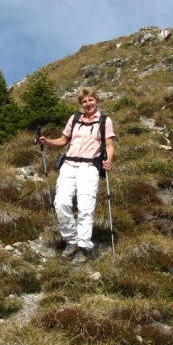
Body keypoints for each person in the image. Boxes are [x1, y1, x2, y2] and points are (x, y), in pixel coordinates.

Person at [38, 87, 116, 264]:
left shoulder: (105, 121)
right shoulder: (74, 119)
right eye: (84, 101)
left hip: (89, 167)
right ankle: (71, 240)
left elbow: (110, 145)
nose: (88, 104)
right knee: (61, 202)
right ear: (81, 104)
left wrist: (109, 160)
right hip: (69, 165)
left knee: (85, 206)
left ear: (96, 100)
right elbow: (63, 140)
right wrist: (47, 141)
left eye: (91, 100)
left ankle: (84, 246)